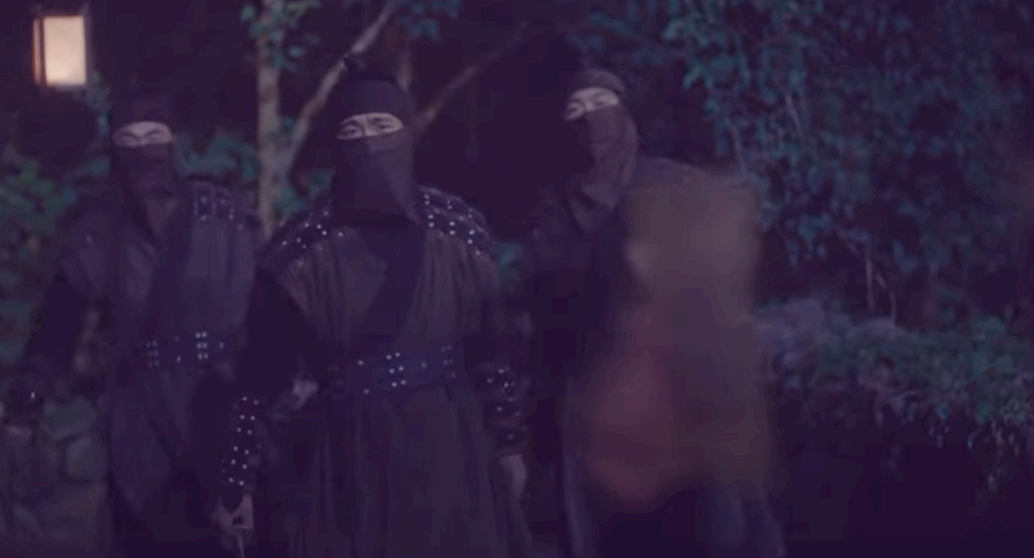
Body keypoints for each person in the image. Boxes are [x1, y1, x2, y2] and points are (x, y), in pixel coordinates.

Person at [208, 65, 531, 558]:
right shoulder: (298, 252)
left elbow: (489, 350)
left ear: (407, 133)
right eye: (351, 130)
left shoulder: (458, 231)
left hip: (452, 447)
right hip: (351, 456)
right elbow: (259, 377)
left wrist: (509, 445)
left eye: (381, 126)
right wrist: (236, 484)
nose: (367, 142)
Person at [514, 64, 785, 558]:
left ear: (625, 112)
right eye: (576, 109)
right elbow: (542, 310)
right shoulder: (552, 210)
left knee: (717, 524)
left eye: (601, 104)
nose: (590, 118)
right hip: (598, 397)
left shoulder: (671, 184)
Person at [3, 84, 266, 557]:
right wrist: (31, 387)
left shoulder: (227, 218)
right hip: (142, 425)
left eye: (153, 136)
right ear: (114, 149)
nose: (143, 150)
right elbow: (58, 326)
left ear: (171, 142)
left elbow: (269, 312)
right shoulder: (99, 232)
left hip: (225, 410)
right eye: (130, 139)